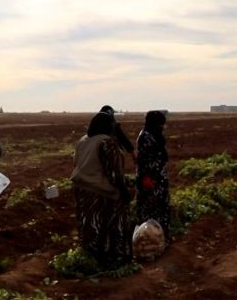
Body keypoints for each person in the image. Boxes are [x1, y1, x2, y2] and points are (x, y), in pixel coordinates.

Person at [71, 111, 132, 265]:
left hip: (81, 188)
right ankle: (110, 258)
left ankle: (89, 259)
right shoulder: (107, 143)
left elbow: (76, 163)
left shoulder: (83, 141)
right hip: (99, 192)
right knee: (107, 225)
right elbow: (114, 173)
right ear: (108, 126)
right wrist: (124, 192)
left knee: (88, 225)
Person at [136, 110, 171, 243]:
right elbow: (143, 161)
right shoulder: (145, 136)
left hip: (159, 179)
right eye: (161, 124)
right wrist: (146, 178)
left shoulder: (154, 134)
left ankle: (161, 238)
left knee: (161, 209)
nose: (162, 127)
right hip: (149, 180)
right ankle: (148, 241)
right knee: (149, 209)